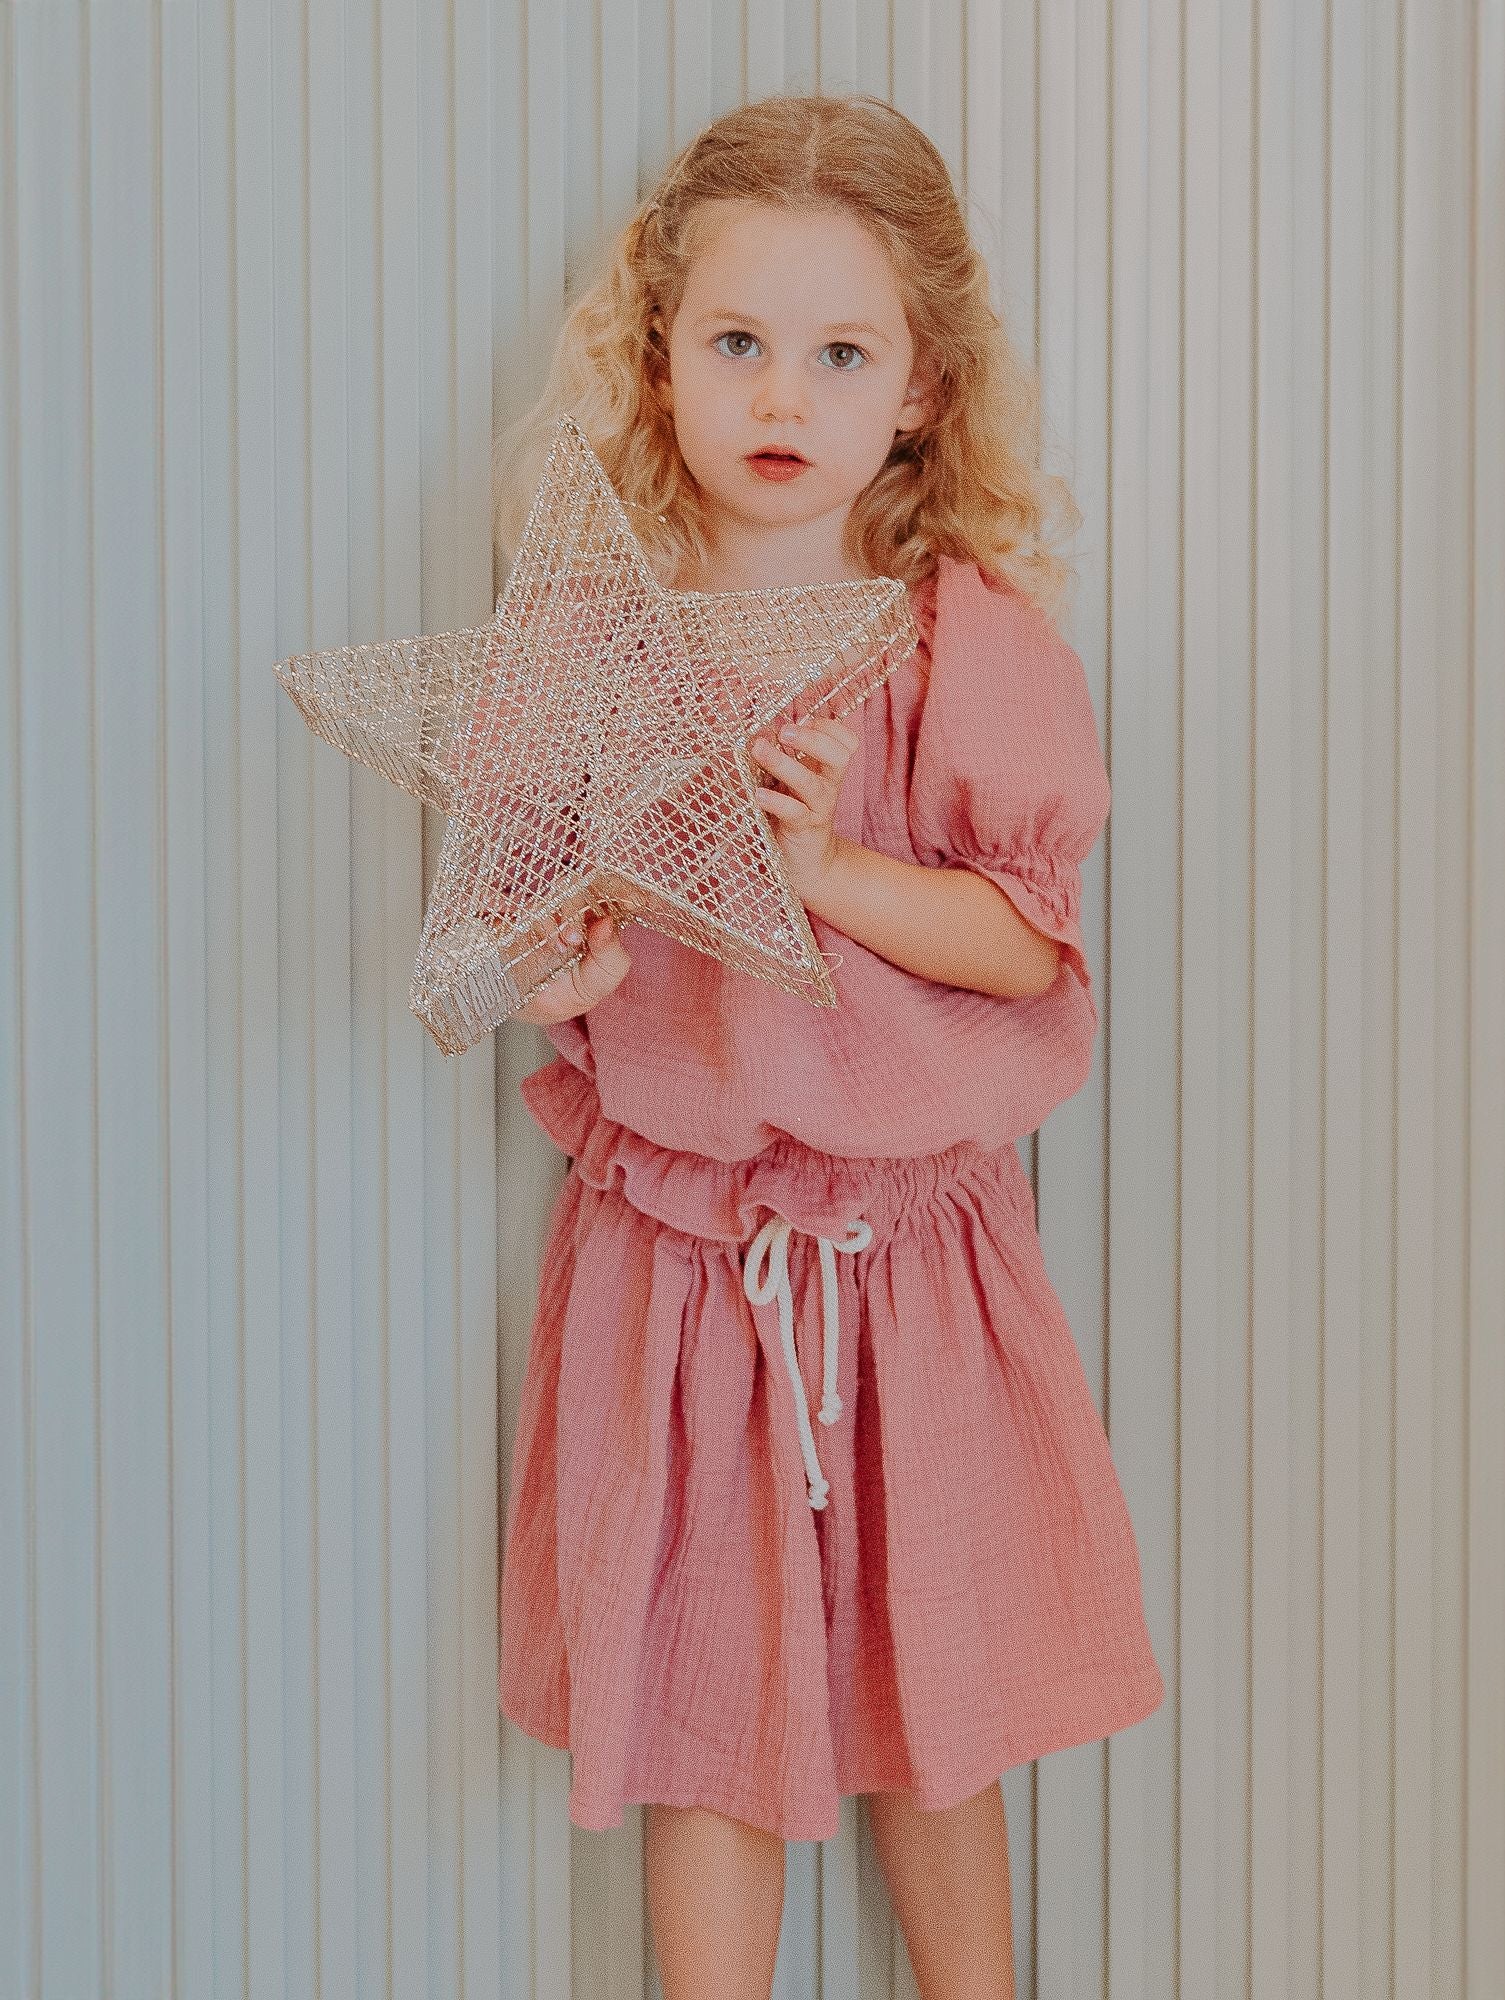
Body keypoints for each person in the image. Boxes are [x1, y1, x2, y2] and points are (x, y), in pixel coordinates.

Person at [490, 91, 1164, 2000]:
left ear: (923, 388)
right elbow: (545, 928)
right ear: (662, 360)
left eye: (841, 351)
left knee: (934, 1702)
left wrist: (830, 869)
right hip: (686, 1263)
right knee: (708, 1711)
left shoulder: (963, 640)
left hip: (915, 1257)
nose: (784, 392)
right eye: (737, 343)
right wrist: (559, 960)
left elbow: (1028, 946)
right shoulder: (600, 638)